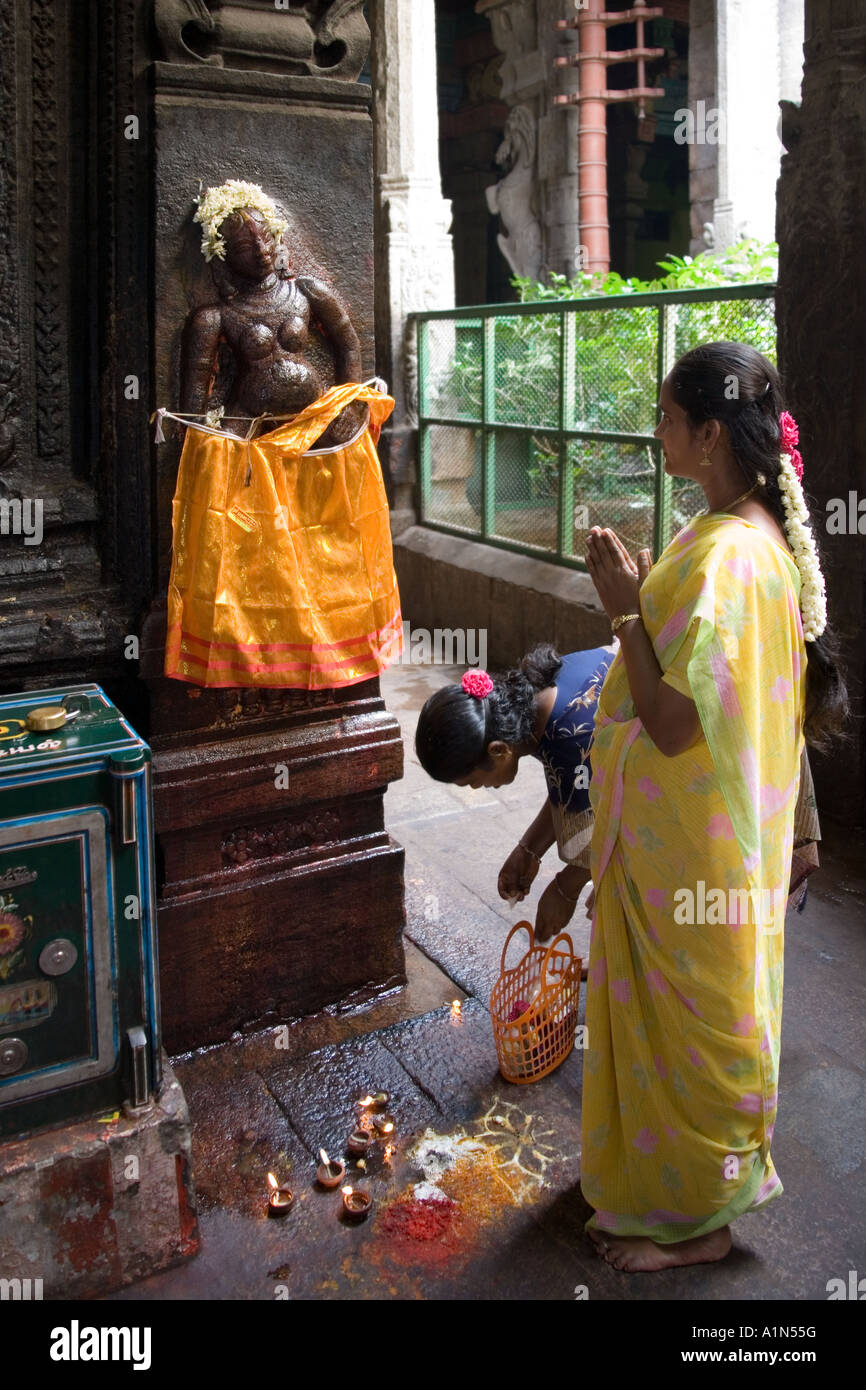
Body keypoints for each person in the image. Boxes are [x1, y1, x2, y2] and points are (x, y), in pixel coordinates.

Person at [580, 342, 847, 1273]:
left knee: (688, 1028)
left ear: (705, 432)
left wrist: (620, 608)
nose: (655, 433)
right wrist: (649, 593)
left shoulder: (734, 555)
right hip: (700, 839)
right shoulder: (738, 530)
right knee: (678, 1023)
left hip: (695, 849)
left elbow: (669, 723)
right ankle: (657, 1192)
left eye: (664, 418)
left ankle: (699, 1223)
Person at [414, 645, 616, 946]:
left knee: (618, 886)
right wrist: (528, 849)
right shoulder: (541, 701)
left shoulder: (572, 735)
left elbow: (606, 825)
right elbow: (577, 788)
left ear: (498, 751)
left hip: (674, 791)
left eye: (472, 781)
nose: (475, 789)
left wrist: (565, 889)